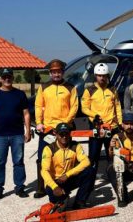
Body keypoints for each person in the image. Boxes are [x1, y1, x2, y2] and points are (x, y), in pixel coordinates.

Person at [0, 68, 31, 201]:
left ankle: (20, 187)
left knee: (19, 162)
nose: (7, 79)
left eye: (9, 76)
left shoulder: (20, 94)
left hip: (17, 135)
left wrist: (28, 131)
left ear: (12, 78)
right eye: (4, 77)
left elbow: (26, 114)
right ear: (0, 79)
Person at [34, 59, 79, 198]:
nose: (56, 74)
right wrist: (39, 122)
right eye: (54, 72)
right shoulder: (44, 86)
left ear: (63, 72)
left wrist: (64, 124)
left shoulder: (71, 87)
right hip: (47, 129)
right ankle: (42, 187)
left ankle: (67, 184)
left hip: (65, 128)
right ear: (50, 73)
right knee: (43, 158)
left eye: (59, 71)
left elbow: (74, 107)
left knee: (68, 156)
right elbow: (38, 105)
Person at [41, 123, 96, 209]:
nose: (64, 136)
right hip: (54, 182)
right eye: (61, 134)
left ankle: (79, 202)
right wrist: (54, 187)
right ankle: (62, 199)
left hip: (68, 178)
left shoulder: (75, 146)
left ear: (69, 134)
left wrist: (67, 175)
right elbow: (44, 171)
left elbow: (86, 162)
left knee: (90, 171)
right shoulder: (49, 149)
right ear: (56, 134)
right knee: (59, 206)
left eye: (66, 133)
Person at [81, 63, 122, 171]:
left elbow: (117, 106)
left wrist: (120, 122)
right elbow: (84, 108)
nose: (102, 78)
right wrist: (94, 116)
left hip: (111, 127)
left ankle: (113, 178)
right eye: (99, 75)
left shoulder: (112, 89)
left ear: (107, 76)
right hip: (96, 126)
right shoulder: (89, 90)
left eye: (104, 75)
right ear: (95, 75)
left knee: (112, 154)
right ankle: (90, 181)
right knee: (93, 155)